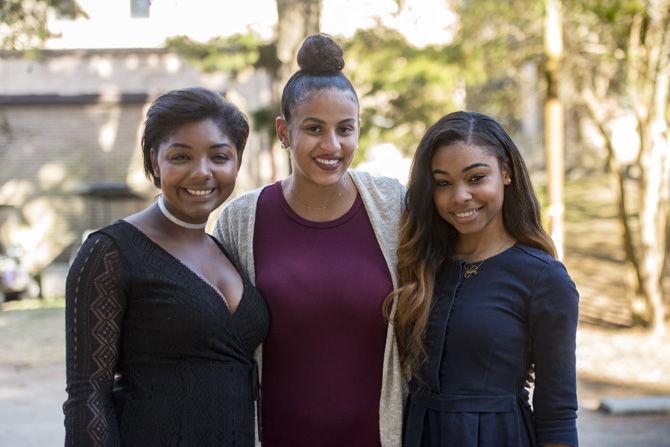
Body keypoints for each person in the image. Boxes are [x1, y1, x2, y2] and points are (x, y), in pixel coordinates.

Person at [214, 34, 404, 447]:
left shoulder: (393, 206)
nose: (332, 145)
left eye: (345, 129)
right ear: (284, 131)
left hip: (376, 437)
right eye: (314, 129)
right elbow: (215, 335)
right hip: (278, 435)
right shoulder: (241, 220)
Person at [64, 87, 269, 447]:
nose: (201, 172)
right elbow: (87, 398)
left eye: (219, 156)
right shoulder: (109, 253)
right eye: (181, 157)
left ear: (236, 162)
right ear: (154, 162)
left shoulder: (225, 249)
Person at [390, 111, 579, 447]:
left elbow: (558, 412)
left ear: (505, 172)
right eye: (443, 183)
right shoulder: (420, 263)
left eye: (476, 178)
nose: (460, 196)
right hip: (419, 434)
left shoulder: (543, 278)